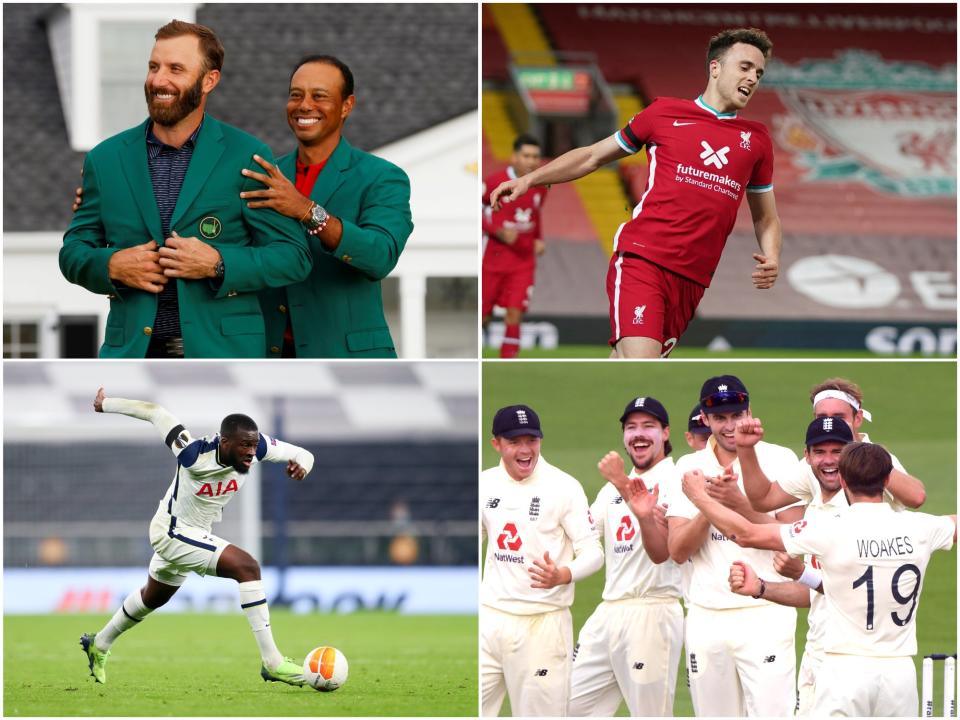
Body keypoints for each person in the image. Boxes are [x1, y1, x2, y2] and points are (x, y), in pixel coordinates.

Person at [489, 28, 780, 358]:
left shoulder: (756, 140)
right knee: (642, 367)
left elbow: (766, 216)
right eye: (745, 67)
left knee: (628, 372)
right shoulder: (663, 114)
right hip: (644, 259)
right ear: (715, 68)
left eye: (759, 72)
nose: (753, 78)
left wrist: (772, 255)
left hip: (693, 279)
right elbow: (592, 155)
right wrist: (531, 180)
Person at [61, 20, 312, 358]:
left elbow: (293, 257)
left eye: (175, 69)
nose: (158, 80)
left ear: (209, 80)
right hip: (132, 353)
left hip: (226, 355)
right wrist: (111, 265)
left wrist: (219, 263)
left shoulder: (247, 156)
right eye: (154, 66)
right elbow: (74, 251)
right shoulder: (105, 159)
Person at [681, 442, 956, 717]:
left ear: (844, 480)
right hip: (900, 673)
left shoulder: (828, 527)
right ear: (887, 480)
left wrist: (700, 498)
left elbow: (746, 534)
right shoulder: (923, 527)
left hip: (844, 671)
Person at [80, 388, 315, 686]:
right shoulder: (193, 454)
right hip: (171, 531)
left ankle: (98, 644)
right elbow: (156, 412)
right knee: (248, 567)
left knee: (153, 597)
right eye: (244, 445)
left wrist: (303, 465)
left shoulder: (260, 449)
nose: (251, 452)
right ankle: (273, 662)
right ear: (225, 442)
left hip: (195, 534)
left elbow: (302, 453)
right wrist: (106, 404)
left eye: (254, 445)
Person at [237, 55, 413, 357]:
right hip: (268, 358)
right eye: (296, 95)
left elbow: (380, 256)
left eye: (319, 96)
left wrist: (307, 211)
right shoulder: (263, 177)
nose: (305, 105)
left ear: (347, 105)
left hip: (348, 360)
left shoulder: (383, 177)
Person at [665, 375, 800, 716]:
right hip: (706, 616)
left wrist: (736, 503)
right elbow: (678, 550)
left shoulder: (781, 459)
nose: (730, 426)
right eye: (720, 418)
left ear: (749, 412)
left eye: (737, 415)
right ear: (706, 420)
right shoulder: (689, 467)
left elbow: (795, 536)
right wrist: (710, 508)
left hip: (766, 610)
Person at [481, 405, 603, 717]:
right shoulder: (485, 483)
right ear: (497, 444)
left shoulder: (563, 487)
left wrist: (563, 574)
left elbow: (593, 553)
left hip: (543, 625)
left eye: (531, 441)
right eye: (514, 442)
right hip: (490, 621)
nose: (525, 450)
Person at [569, 397, 683, 716]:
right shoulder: (608, 493)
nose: (639, 434)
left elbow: (663, 549)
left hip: (653, 609)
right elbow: (584, 533)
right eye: (631, 427)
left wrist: (621, 481)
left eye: (648, 426)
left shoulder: (677, 480)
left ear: (665, 432)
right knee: (565, 707)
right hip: (608, 612)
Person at [481, 135, 548, 358]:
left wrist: (538, 237)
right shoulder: (494, 182)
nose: (531, 161)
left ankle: (508, 360)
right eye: (526, 155)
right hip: (493, 260)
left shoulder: (541, 185)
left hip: (523, 260)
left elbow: (536, 215)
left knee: (514, 314)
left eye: (535, 156)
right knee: (483, 315)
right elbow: (477, 211)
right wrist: (496, 231)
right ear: (514, 157)